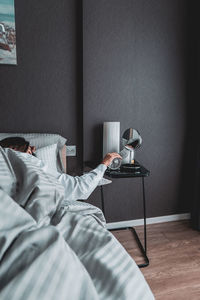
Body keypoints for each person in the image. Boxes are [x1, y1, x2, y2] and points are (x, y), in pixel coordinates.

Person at [0, 136, 121, 201]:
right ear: (13, 148)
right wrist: (104, 164)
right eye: (29, 148)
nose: (34, 149)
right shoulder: (24, 159)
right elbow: (77, 188)